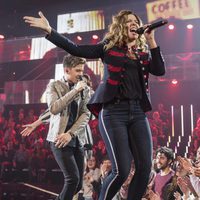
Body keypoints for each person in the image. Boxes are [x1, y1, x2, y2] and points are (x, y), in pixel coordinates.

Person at [24, 9, 166, 200]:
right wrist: (50, 31)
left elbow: (159, 70)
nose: (134, 23)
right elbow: (76, 49)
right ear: (120, 27)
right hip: (114, 112)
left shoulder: (142, 51)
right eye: (128, 21)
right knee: (121, 171)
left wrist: (151, 41)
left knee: (144, 168)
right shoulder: (108, 47)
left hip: (138, 112)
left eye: (136, 21)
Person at [21, 54, 91, 200]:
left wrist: (70, 134)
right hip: (58, 139)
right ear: (67, 70)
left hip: (76, 138)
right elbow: (54, 109)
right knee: (72, 179)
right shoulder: (54, 86)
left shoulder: (85, 87)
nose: (81, 74)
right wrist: (75, 91)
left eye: (81, 71)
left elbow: (86, 114)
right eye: (77, 71)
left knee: (77, 185)